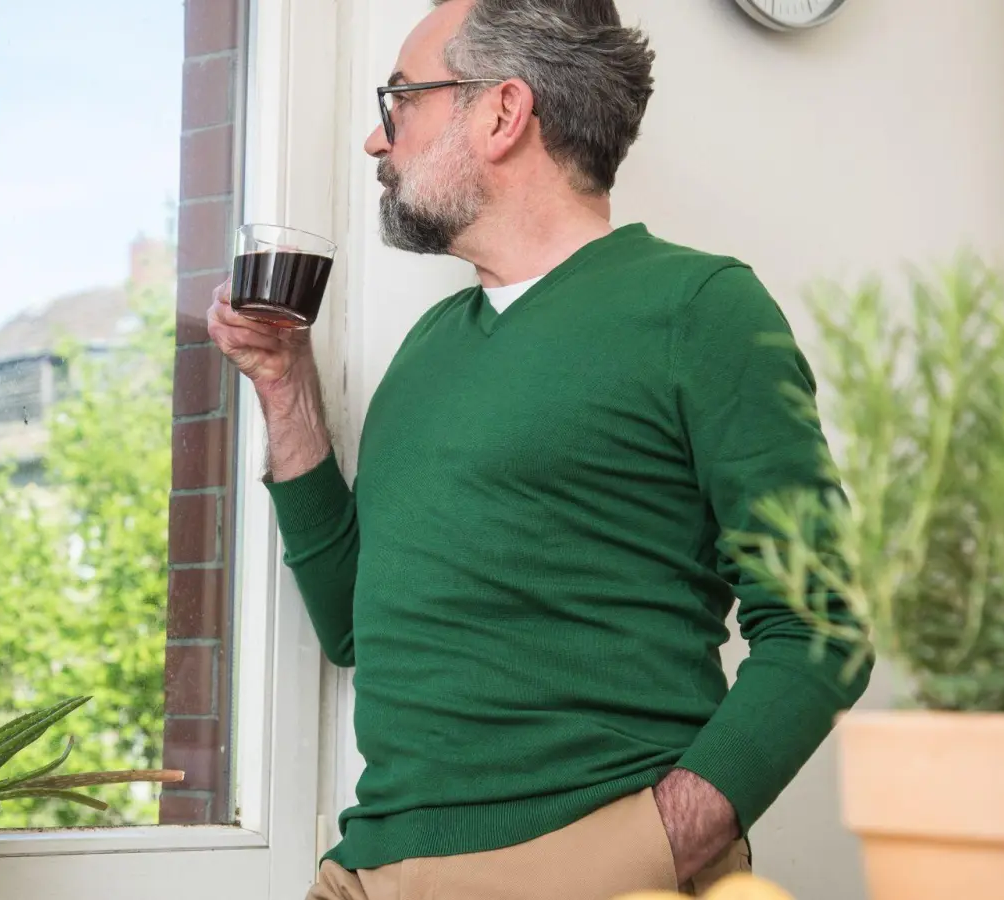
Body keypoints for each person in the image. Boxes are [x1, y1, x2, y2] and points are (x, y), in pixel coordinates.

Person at [208, 0, 871, 897]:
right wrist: (284, 384)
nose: (377, 139)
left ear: (501, 113)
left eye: (401, 98)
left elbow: (819, 622)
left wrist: (671, 838)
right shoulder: (435, 340)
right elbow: (353, 627)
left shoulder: (700, 309)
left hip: (584, 852)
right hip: (368, 867)